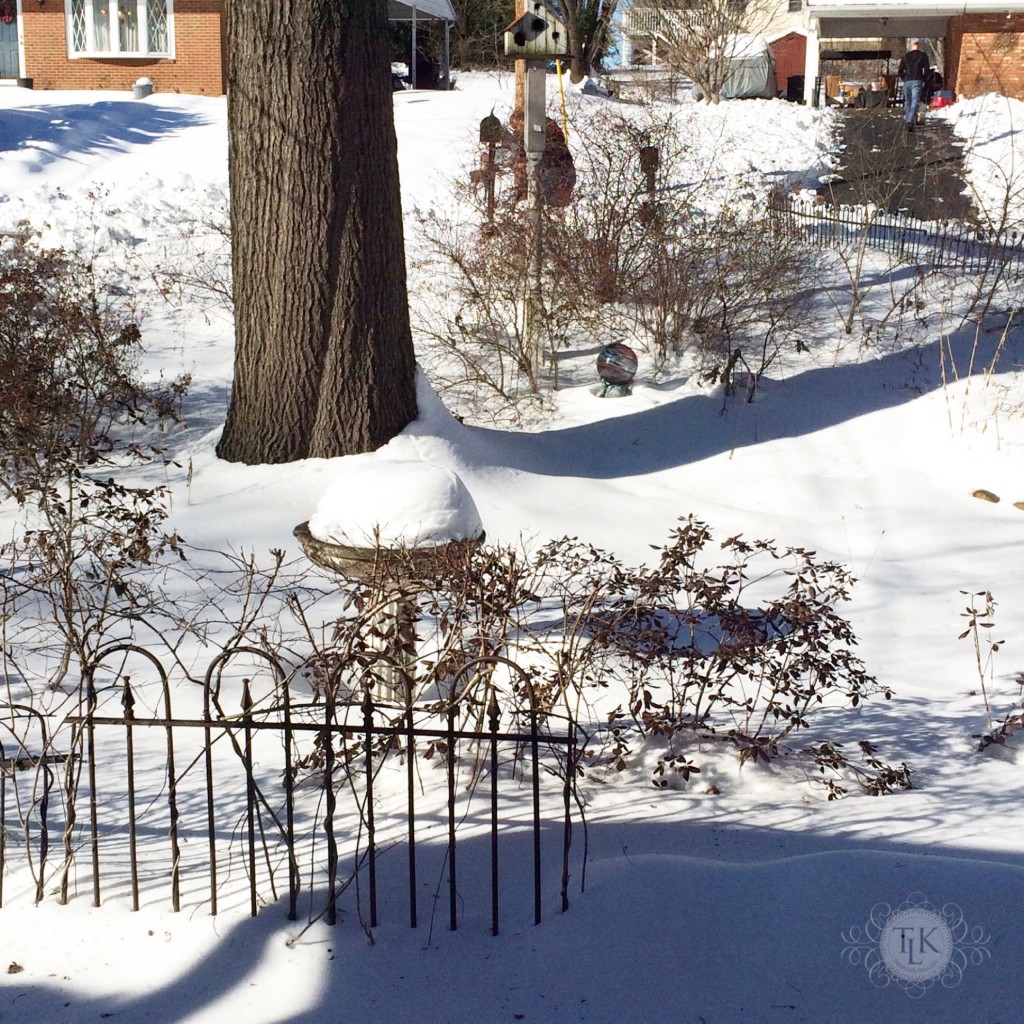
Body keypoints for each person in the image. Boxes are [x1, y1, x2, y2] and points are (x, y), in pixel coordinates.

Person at [897, 40, 931, 133]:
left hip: (907, 81)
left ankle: (909, 120)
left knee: (908, 102)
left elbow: (900, 70)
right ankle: (910, 121)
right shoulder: (923, 56)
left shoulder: (906, 56)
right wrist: (924, 79)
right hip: (917, 80)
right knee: (915, 101)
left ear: (911, 46)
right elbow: (927, 71)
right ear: (919, 45)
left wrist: (905, 78)